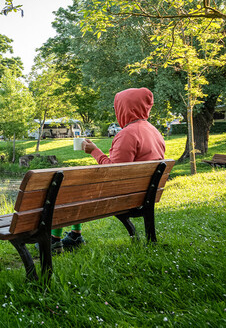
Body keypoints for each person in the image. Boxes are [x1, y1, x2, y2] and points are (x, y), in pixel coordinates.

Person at [55, 87, 166, 253]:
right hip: (144, 196)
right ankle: (74, 236)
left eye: (118, 107)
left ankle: (54, 239)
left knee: (68, 189)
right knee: (76, 187)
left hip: (124, 198)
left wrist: (94, 151)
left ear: (127, 107)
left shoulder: (128, 134)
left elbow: (113, 172)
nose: (117, 112)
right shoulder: (154, 131)